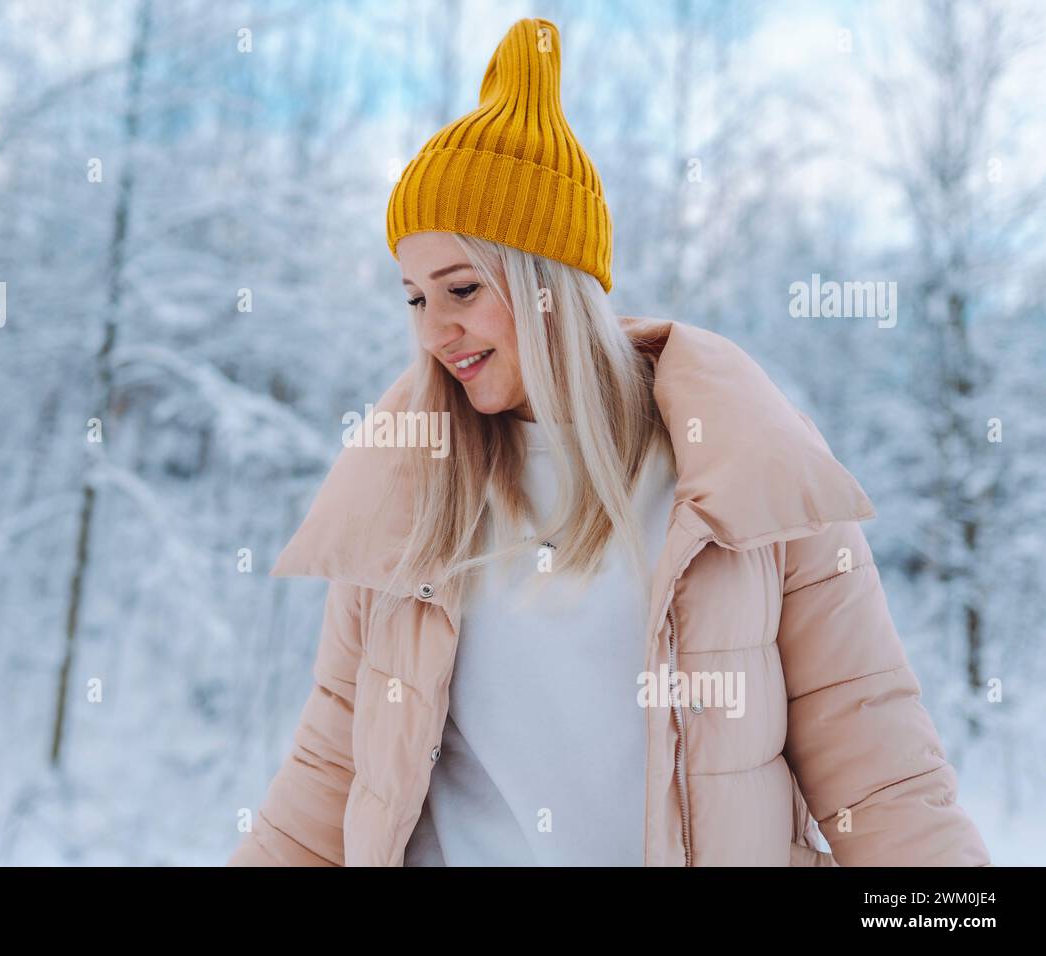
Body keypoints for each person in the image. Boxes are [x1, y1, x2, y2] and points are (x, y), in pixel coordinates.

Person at [228, 16, 990, 866]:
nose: (436, 329)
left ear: (549, 283)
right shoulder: (407, 484)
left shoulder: (742, 463)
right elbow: (330, 774)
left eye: (462, 288)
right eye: (413, 297)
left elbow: (875, 767)